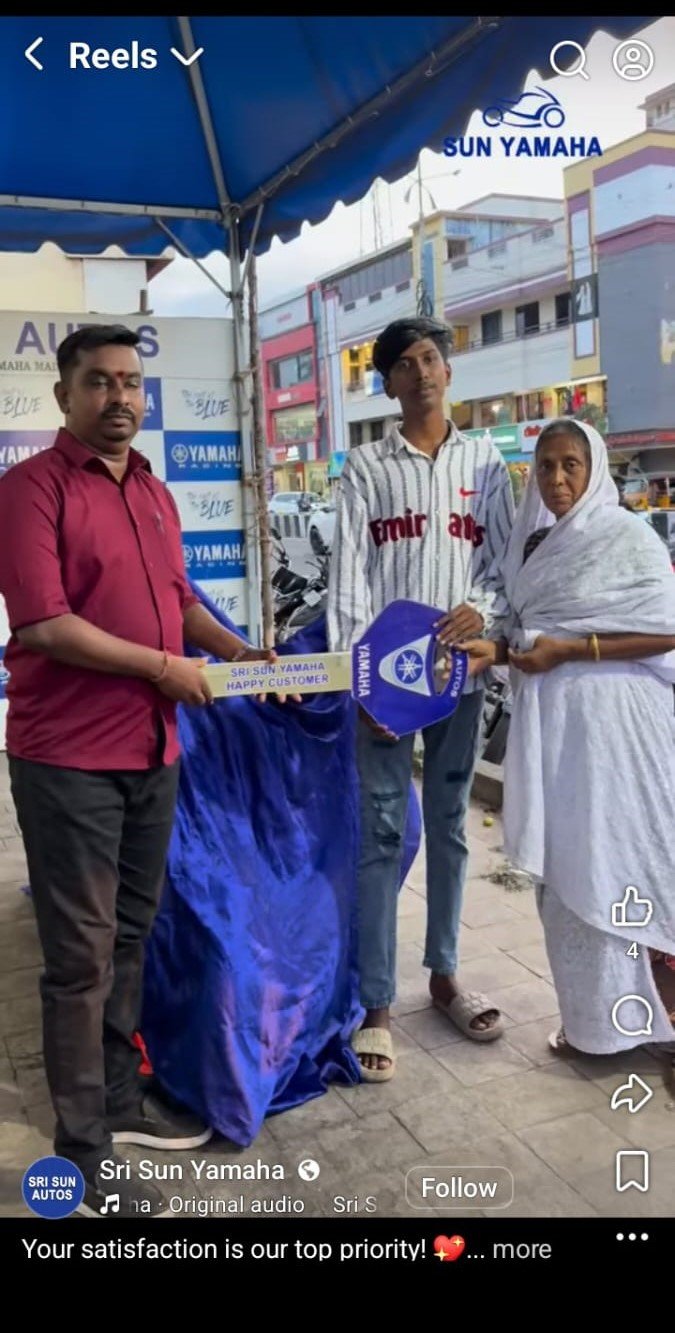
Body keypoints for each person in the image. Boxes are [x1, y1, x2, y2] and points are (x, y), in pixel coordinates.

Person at [0, 324, 286, 1216]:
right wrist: (169, 672)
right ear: (64, 396)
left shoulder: (155, 492)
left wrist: (242, 655)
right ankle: (82, 1154)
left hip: (151, 750)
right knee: (79, 959)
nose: (120, 397)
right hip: (67, 759)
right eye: (99, 382)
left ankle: (119, 1102)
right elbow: (44, 625)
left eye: (131, 382)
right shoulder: (27, 489)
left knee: (130, 935)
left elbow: (179, 603)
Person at [327, 316, 514, 1081]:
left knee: (450, 827)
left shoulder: (487, 463)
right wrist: (359, 683)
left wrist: (484, 610)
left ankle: (443, 974)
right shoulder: (366, 469)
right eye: (404, 364)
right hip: (385, 691)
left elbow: (503, 563)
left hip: (459, 680)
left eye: (431, 357)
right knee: (377, 833)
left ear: (448, 368)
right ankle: (377, 1000)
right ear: (388, 383)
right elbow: (347, 581)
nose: (422, 372)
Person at [460, 418, 675, 1057]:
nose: (556, 480)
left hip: (623, 732)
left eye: (570, 466)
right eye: (545, 466)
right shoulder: (529, 545)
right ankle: (598, 1028)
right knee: (570, 874)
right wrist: (492, 651)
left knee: (632, 862)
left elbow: (667, 631)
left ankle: (664, 1013)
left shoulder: (627, 537)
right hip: (556, 734)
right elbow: (528, 635)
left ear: (594, 469)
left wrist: (574, 651)